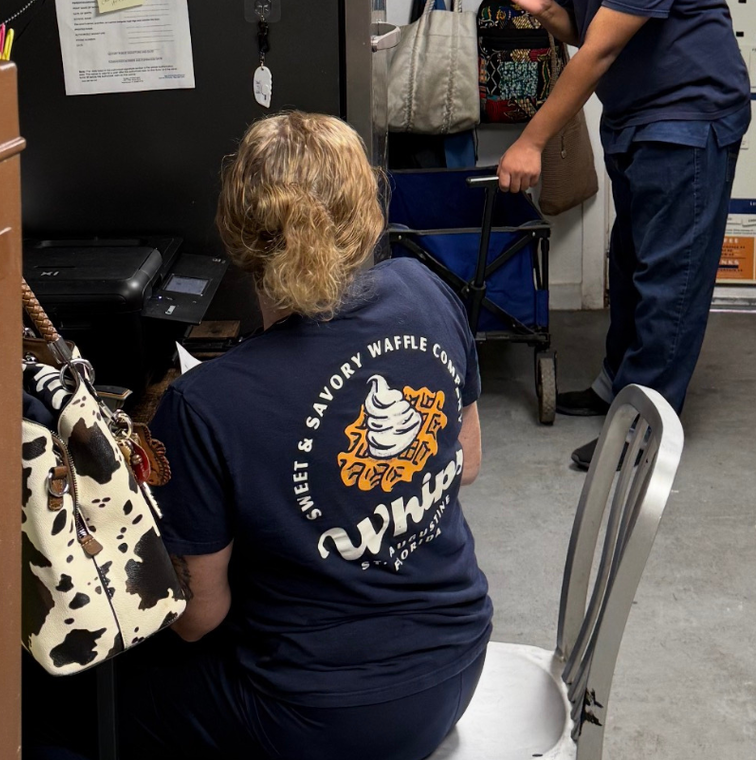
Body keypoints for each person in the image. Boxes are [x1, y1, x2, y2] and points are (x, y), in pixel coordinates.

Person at [117, 112, 492, 760]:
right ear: (366, 209)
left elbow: (197, 618)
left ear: (237, 231)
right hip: (459, 663)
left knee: (77, 702)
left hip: (317, 721)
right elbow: (467, 462)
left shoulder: (203, 405)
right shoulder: (425, 290)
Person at [488, 0, 750, 469]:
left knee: (670, 275)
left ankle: (646, 430)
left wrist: (531, 141)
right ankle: (616, 389)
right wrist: (546, 10)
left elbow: (600, 52)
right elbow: (584, 31)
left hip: (691, 113)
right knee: (631, 261)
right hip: (636, 111)